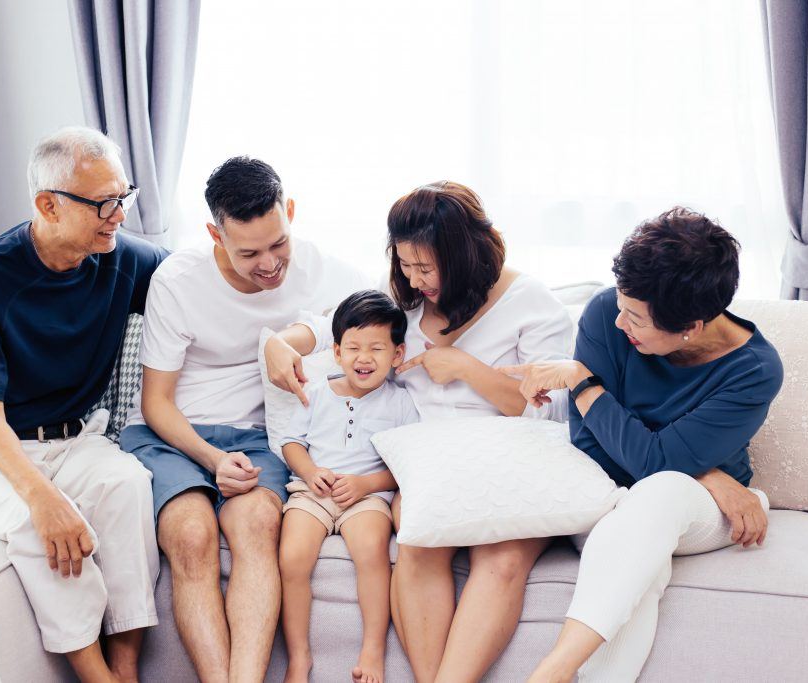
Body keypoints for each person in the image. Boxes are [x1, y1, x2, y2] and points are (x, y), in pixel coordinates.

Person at [265, 181, 574, 682]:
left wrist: (466, 368)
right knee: (417, 534)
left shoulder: (529, 302)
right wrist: (281, 342)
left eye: (426, 267)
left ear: (466, 254)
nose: (415, 278)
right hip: (426, 466)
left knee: (501, 558)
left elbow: (553, 411)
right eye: (405, 265)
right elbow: (333, 328)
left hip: (509, 460)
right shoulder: (404, 299)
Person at [0, 127, 166, 682]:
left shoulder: (122, 258)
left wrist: (293, 328)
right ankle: (95, 677)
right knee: (42, 525)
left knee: (129, 487)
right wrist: (44, 497)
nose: (119, 214)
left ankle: (126, 667)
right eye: (104, 202)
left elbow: (200, 281)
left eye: (123, 196)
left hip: (75, 439)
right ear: (48, 205)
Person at [117, 157, 370, 682]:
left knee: (255, 524)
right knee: (190, 533)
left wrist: (286, 339)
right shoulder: (179, 280)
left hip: (260, 438)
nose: (270, 263)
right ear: (215, 233)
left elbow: (381, 315)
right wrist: (210, 458)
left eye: (278, 243)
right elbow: (156, 402)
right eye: (249, 252)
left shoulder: (318, 267)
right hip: (178, 436)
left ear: (290, 213)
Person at [505, 207, 784, 682]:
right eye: (621, 305)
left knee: (662, 492)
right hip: (612, 494)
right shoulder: (603, 314)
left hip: (703, 510)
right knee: (641, 558)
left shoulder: (753, 371)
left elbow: (657, 464)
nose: (618, 324)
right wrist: (704, 470)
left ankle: (551, 672)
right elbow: (589, 444)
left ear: (691, 327)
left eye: (635, 318)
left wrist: (584, 383)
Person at [278, 290, 419, 683]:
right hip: (313, 493)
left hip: (368, 496)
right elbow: (292, 442)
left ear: (397, 354)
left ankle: (372, 650)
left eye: (377, 348)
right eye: (353, 347)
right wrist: (308, 473)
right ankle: (298, 656)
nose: (364, 357)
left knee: (372, 552)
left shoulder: (401, 403)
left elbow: (407, 464)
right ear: (337, 352)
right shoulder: (317, 392)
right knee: (292, 556)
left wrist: (365, 484)